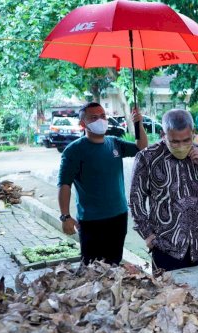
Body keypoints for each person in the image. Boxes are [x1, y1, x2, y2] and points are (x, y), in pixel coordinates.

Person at [129, 109, 198, 272]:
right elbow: (135, 200)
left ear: (193, 133)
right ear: (163, 134)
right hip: (166, 248)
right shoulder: (147, 158)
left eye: (186, 140)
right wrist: (147, 234)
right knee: (168, 296)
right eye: (174, 141)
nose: (181, 146)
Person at [58, 102, 148, 265]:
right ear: (83, 123)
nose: (100, 120)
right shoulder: (73, 151)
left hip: (118, 216)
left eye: (103, 116)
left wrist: (138, 122)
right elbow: (64, 185)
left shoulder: (114, 143)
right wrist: (65, 216)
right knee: (92, 268)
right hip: (91, 221)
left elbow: (141, 148)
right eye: (94, 117)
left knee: (114, 263)